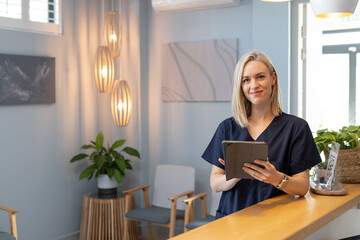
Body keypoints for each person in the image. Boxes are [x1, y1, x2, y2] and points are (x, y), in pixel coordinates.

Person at [202, 51, 321, 219]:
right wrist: (234, 176)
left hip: (276, 222)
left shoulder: (296, 127)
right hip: (231, 219)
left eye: (260, 77)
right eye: (246, 80)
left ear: (273, 79)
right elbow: (215, 184)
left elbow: (302, 187)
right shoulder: (227, 127)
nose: (253, 85)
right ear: (241, 86)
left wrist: (277, 178)